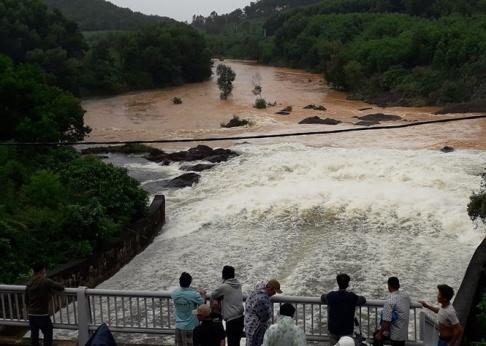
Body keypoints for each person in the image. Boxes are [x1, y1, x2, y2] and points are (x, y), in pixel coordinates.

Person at [25, 263, 65, 346]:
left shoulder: (29, 283)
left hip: (31, 314)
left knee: (34, 335)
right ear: (43, 270)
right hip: (42, 314)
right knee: (48, 333)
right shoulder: (45, 281)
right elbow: (61, 287)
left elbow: (26, 300)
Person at [321, 273, 366, 345]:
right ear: (348, 284)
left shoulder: (332, 295)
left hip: (333, 330)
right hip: (346, 331)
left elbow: (323, 297)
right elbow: (363, 300)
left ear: (337, 283)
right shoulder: (351, 297)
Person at [211, 265, 244, 346]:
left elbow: (213, 294)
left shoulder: (224, 287)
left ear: (224, 275)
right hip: (240, 318)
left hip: (231, 321)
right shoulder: (238, 284)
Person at [171, 272, 206, 346]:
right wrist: (203, 294)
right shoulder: (193, 294)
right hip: (191, 327)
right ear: (190, 282)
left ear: (180, 282)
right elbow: (202, 306)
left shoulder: (174, 293)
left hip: (178, 326)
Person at [244, 279, 282, 346]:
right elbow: (265, 316)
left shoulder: (256, 293)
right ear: (270, 288)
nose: (274, 293)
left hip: (249, 324)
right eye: (274, 291)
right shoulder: (261, 299)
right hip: (255, 328)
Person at [374, 277, 411, 346]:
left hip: (395, 335)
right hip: (404, 333)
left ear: (389, 287)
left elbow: (386, 322)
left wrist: (379, 334)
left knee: (376, 335)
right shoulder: (406, 296)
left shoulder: (390, 301)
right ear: (399, 286)